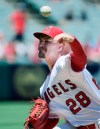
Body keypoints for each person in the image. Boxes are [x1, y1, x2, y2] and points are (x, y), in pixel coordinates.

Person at [32, 26, 100, 129]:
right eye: (40, 41)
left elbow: (81, 60)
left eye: (46, 41)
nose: (41, 43)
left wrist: (73, 40)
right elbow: (52, 118)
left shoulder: (64, 63)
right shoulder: (44, 89)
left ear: (60, 46)